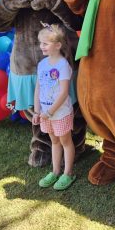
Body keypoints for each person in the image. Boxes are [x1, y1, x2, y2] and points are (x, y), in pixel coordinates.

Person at [32, 23, 76, 190]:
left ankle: (68, 173)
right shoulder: (42, 64)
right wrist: (37, 111)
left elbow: (64, 92)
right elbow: (38, 88)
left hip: (60, 113)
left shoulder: (63, 65)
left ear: (57, 45)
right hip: (45, 114)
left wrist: (50, 112)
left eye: (45, 43)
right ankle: (56, 171)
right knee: (54, 141)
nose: (41, 46)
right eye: (40, 43)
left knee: (65, 141)